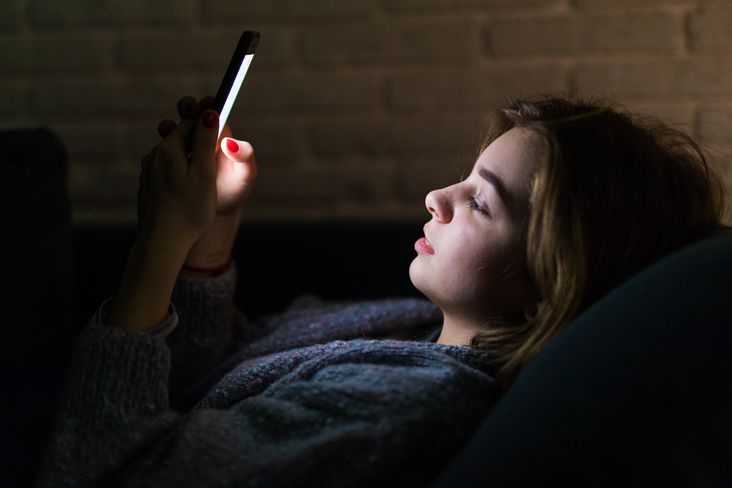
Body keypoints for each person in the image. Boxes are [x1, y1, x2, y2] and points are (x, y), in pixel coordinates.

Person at [37, 95, 725, 487]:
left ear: (550, 281)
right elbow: (206, 381)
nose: (435, 197)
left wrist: (158, 244)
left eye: (480, 204)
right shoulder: (410, 326)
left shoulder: (404, 408)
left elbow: (101, 471)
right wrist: (212, 233)